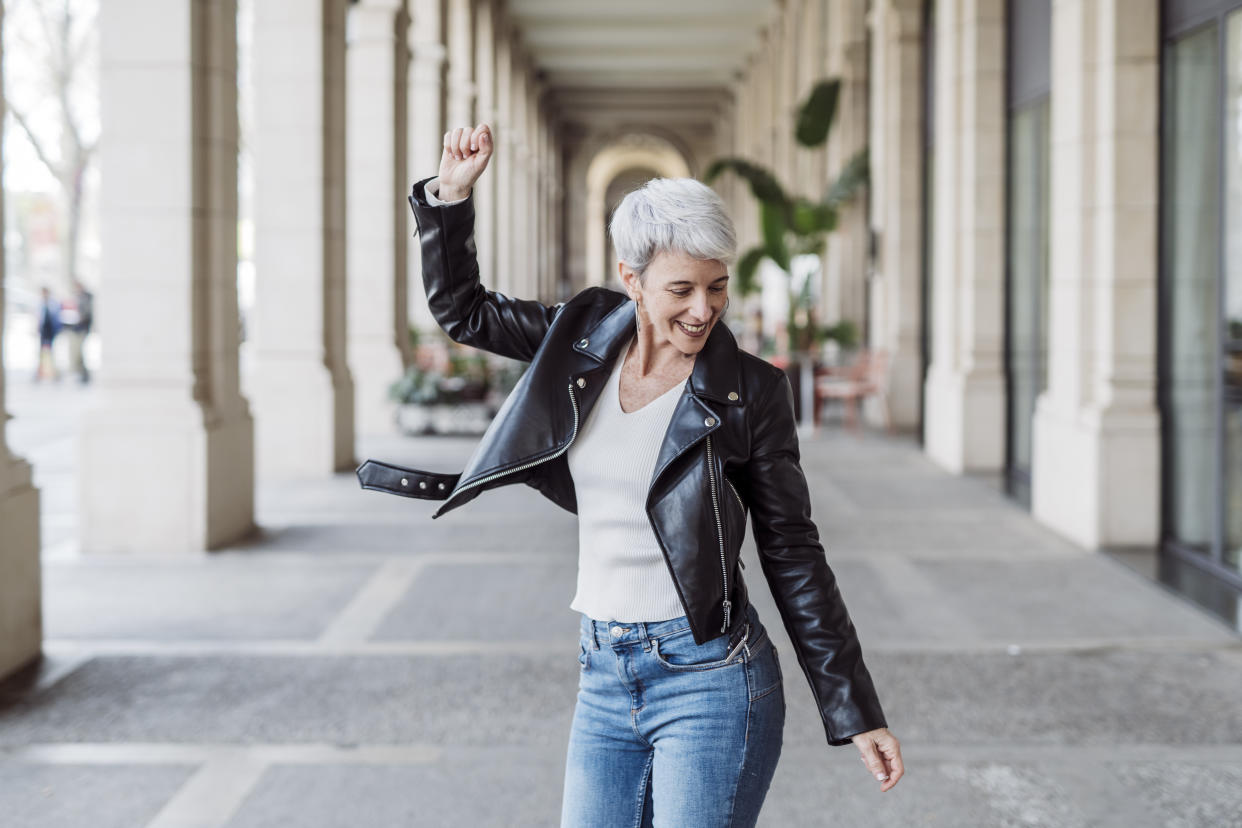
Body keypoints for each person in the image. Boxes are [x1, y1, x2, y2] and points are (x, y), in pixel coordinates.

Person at [357, 123, 904, 826]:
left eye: (718, 287)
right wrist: (450, 200)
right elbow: (464, 312)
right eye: (681, 288)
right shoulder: (578, 337)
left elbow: (793, 551)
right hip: (604, 673)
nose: (703, 309)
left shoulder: (750, 392)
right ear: (631, 280)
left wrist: (855, 709)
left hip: (710, 679)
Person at [67, 280, 94, 383]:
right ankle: (81, 374)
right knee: (76, 353)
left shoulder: (87, 297)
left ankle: (84, 375)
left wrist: (80, 318)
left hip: (82, 329)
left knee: (80, 353)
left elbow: (86, 314)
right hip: (75, 329)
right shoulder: (76, 297)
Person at [35, 287, 62, 382]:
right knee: (41, 352)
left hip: (51, 331)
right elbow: (39, 318)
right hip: (43, 331)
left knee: (52, 352)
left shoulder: (53, 304)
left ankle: (55, 373)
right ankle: (40, 373)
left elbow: (56, 318)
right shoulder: (40, 303)